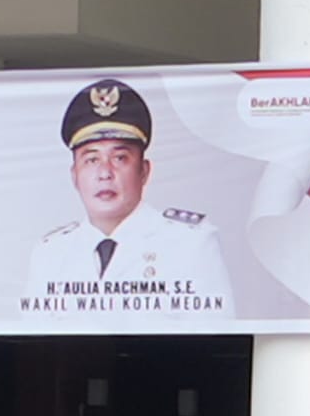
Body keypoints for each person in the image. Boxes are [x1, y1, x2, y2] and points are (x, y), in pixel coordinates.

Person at [26, 79, 233, 314]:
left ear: (144, 171)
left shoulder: (190, 244)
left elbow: (215, 338)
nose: (105, 173)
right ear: (75, 176)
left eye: (120, 158)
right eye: (92, 160)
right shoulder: (51, 253)